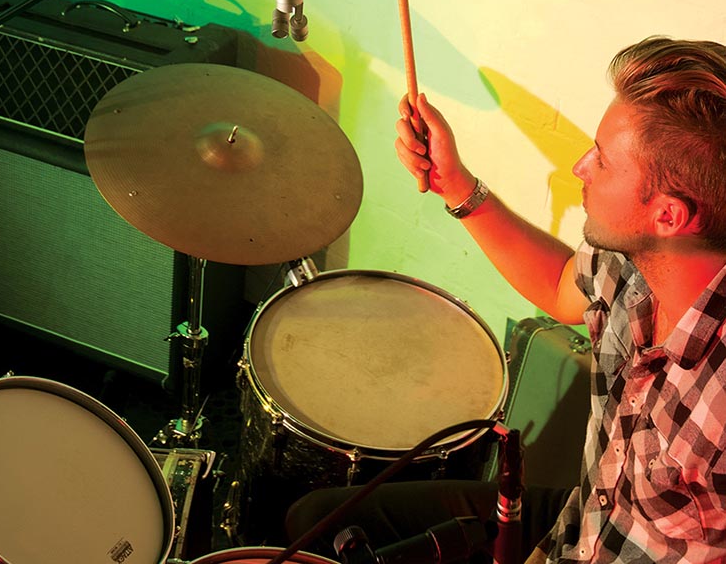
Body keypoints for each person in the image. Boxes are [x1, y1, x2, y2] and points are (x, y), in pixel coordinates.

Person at [286, 37, 726, 562]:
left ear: (669, 216)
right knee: (316, 524)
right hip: (584, 522)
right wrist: (455, 185)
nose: (580, 166)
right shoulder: (634, 260)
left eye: (603, 161)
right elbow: (563, 283)